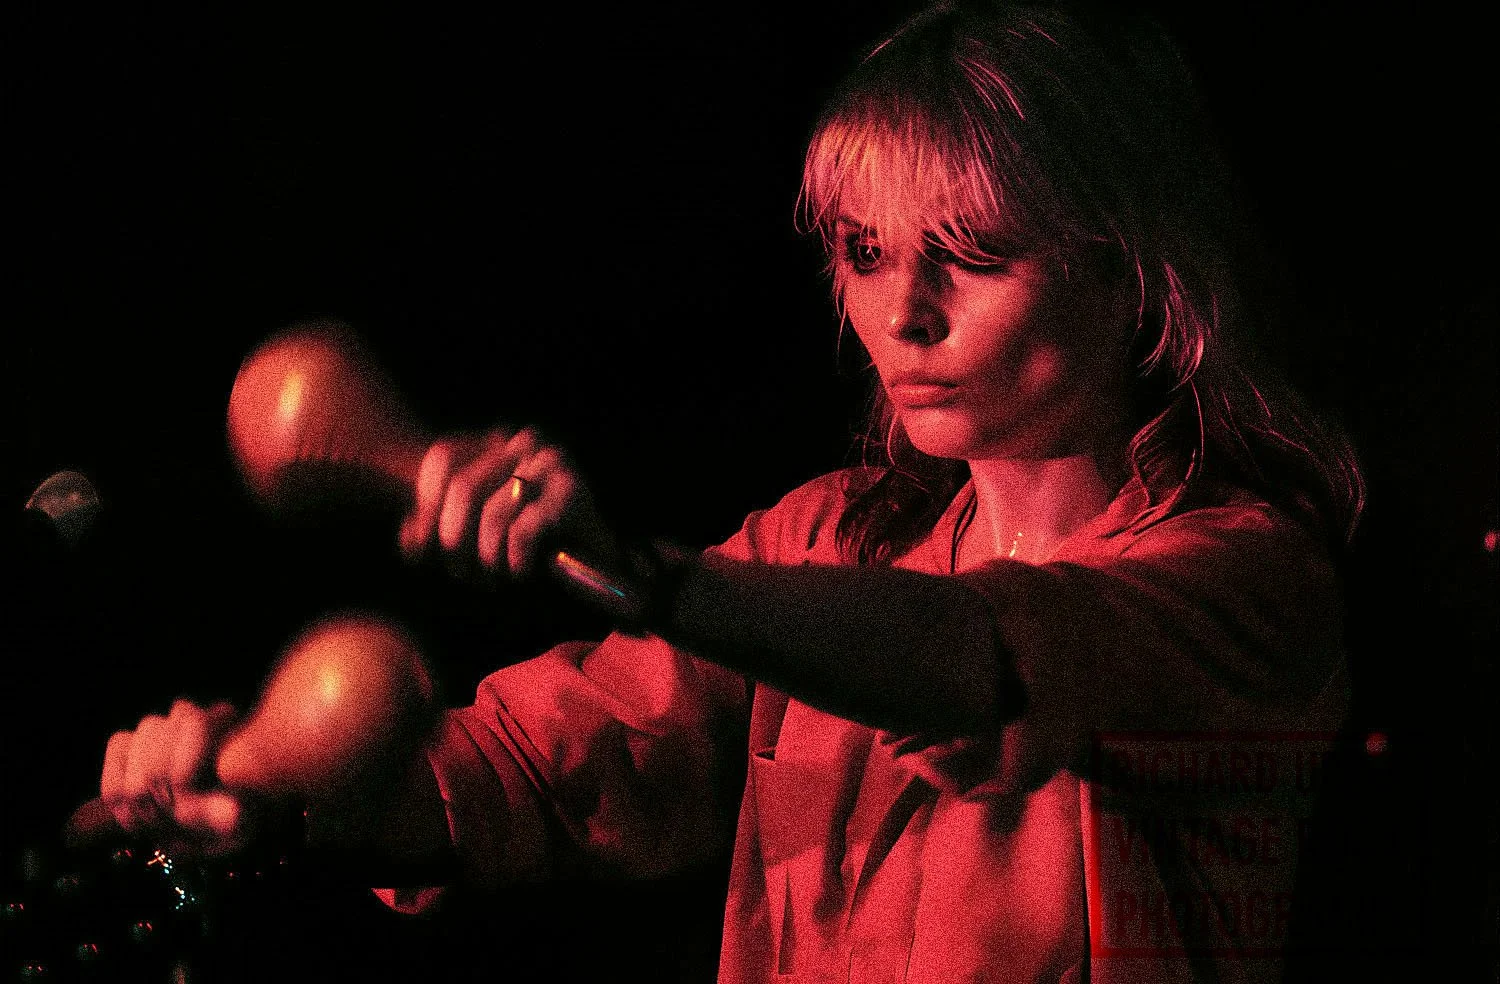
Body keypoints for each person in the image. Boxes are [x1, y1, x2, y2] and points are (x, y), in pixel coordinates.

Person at [95, 1, 1365, 981]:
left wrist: (639, 573)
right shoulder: (826, 534)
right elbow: (514, 776)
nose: (902, 314)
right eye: (865, 254)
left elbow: (980, 658)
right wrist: (264, 793)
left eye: (973, 255)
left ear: (1132, 270)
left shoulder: (1251, 570)